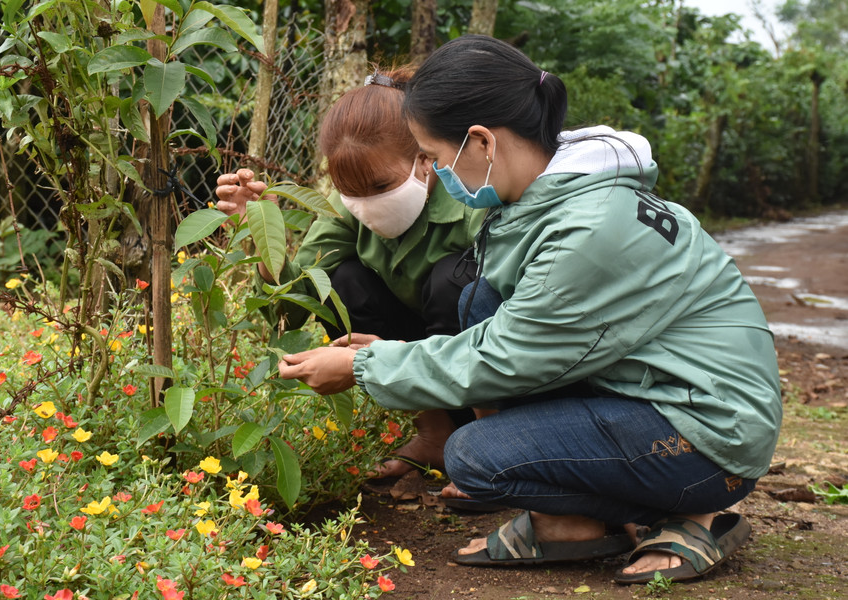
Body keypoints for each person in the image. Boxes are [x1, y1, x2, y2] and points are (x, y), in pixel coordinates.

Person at [276, 35, 782, 584]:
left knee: (476, 457)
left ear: (481, 143)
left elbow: (507, 357)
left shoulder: (586, 229)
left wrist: (364, 367)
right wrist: (395, 354)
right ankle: (576, 521)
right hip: (657, 389)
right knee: (478, 296)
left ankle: (688, 513)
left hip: (708, 432)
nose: (437, 174)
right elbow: (512, 329)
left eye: (436, 158)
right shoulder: (557, 194)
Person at [215, 67, 487, 486]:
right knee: (341, 284)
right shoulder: (346, 210)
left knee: (455, 281)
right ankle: (434, 432)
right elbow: (292, 304)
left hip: (483, 356)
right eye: (350, 192)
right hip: (409, 349)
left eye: (381, 184)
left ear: (425, 159)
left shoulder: (471, 197)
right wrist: (263, 230)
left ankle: (488, 442)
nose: (366, 204)